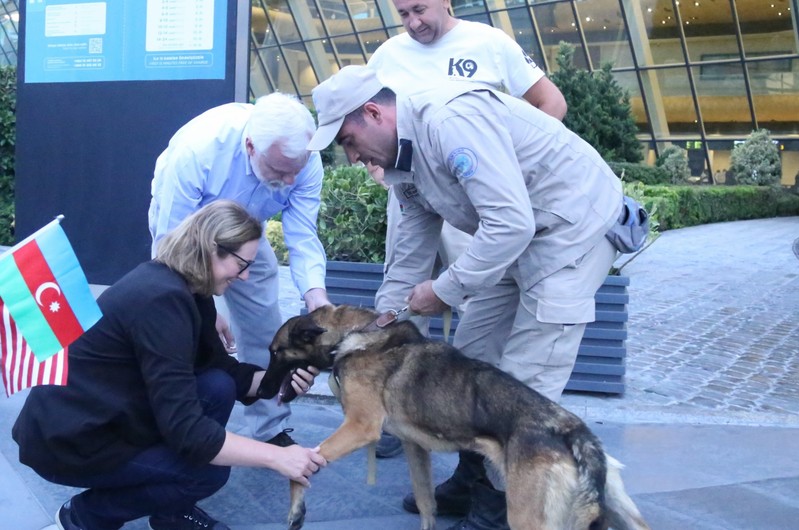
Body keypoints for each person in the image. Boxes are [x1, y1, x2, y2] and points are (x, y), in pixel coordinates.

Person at [307, 65, 623, 530]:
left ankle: (498, 510)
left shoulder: (449, 122)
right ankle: (474, 480)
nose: (352, 156)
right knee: (465, 364)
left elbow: (510, 222)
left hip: (569, 232)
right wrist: (380, 326)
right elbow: (409, 252)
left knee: (520, 384)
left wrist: (444, 290)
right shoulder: (402, 162)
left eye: (349, 141)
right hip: (510, 239)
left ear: (373, 112)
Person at [13, 201, 327, 530]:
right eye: (242, 264)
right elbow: (189, 432)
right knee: (207, 471)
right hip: (72, 440)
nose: (246, 275)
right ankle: (83, 515)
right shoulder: (160, 301)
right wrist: (277, 457)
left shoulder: (188, 289)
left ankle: (171, 513)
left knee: (216, 385)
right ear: (210, 249)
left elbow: (223, 372)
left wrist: (276, 383)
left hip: (112, 414)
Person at [367, 0, 567, 459]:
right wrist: (382, 172)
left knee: (472, 295)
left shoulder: (490, 43)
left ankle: (478, 433)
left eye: (419, 9)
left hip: (477, 197)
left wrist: (504, 172)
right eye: (403, 14)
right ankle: (399, 413)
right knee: (403, 293)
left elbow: (551, 103)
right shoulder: (387, 56)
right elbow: (368, 121)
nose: (413, 22)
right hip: (414, 194)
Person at [148, 92, 331, 449]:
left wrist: (316, 296)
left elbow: (302, 235)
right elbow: (169, 242)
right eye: (280, 171)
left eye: (297, 170)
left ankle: (269, 425)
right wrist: (206, 305)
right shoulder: (197, 151)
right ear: (250, 146)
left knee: (266, 324)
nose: (291, 180)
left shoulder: (303, 158)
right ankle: (179, 420)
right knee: (184, 327)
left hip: (250, 230)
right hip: (188, 232)